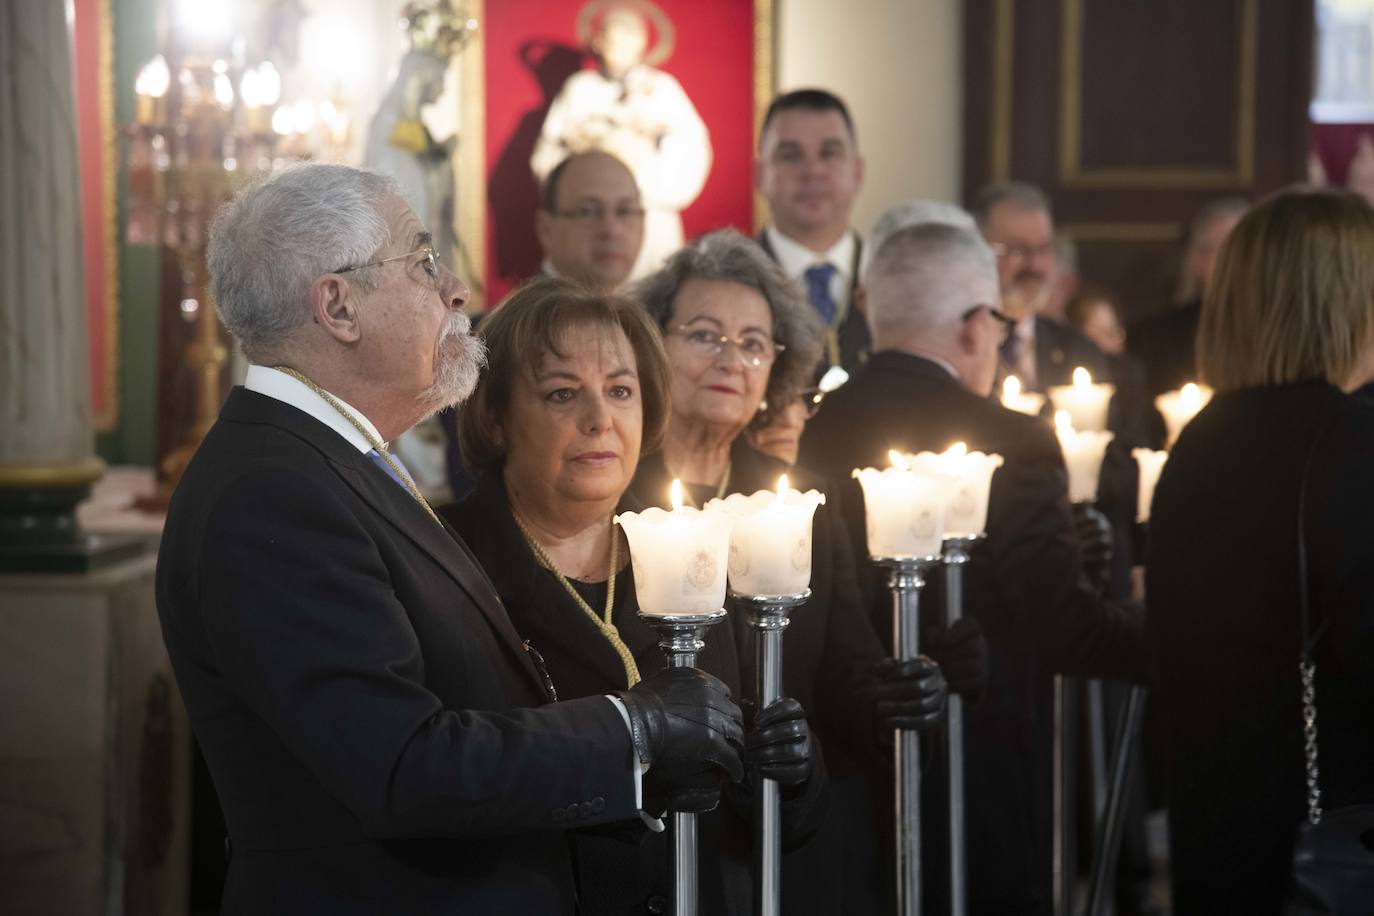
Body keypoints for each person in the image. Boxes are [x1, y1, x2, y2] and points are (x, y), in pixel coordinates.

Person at [155, 163, 745, 914]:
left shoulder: (330, 465)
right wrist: (636, 726)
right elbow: (402, 765)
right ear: (338, 306)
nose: (454, 290)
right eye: (423, 262)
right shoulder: (274, 491)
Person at [440, 277, 824, 914]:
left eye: (621, 390)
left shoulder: (693, 549)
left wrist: (791, 774)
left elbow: (753, 816)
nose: (600, 419)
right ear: (496, 416)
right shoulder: (447, 557)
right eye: (563, 393)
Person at [799, 221, 1149, 914]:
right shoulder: (1011, 439)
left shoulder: (820, 426)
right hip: (975, 760)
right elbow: (1061, 623)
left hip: (848, 758)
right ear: (973, 325)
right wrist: (1165, 634)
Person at [630, 228, 982, 914]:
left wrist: (894, 694)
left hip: (779, 837)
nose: (732, 358)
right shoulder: (614, 498)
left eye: (754, 343)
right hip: (655, 842)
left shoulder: (802, 503)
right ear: (651, 346)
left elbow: (843, 671)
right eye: (704, 335)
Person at [1147, 189, 1374, 913]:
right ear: (1342, 298)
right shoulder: (1347, 438)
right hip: (1327, 840)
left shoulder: (1203, 437)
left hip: (1220, 819)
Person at [531, 1, 711, 279]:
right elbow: (548, 153)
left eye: (630, 41)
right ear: (599, 42)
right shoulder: (580, 89)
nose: (622, 49)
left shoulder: (662, 90)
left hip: (648, 214)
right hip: (590, 220)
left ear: (642, 44)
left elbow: (693, 149)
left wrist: (648, 153)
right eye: (615, 41)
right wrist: (584, 153)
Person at [754, 88, 869, 375]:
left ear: (857, 171)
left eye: (829, 153)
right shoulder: (724, 282)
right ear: (760, 174)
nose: (813, 170)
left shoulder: (895, 280)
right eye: (791, 155)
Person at [971, 181, 1108, 392]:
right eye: (1017, 249)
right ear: (978, 249)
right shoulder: (958, 346)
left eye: (1043, 249)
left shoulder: (1080, 351)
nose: (1035, 266)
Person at [1127, 197, 1247, 400]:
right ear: (1198, 260)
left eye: (1244, 251)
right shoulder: (1156, 338)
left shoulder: (1280, 333)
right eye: (1223, 251)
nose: (1235, 264)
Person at [535, 149, 646, 293]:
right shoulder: (524, 315)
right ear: (546, 230)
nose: (611, 230)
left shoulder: (659, 311)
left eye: (624, 211)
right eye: (587, 212)